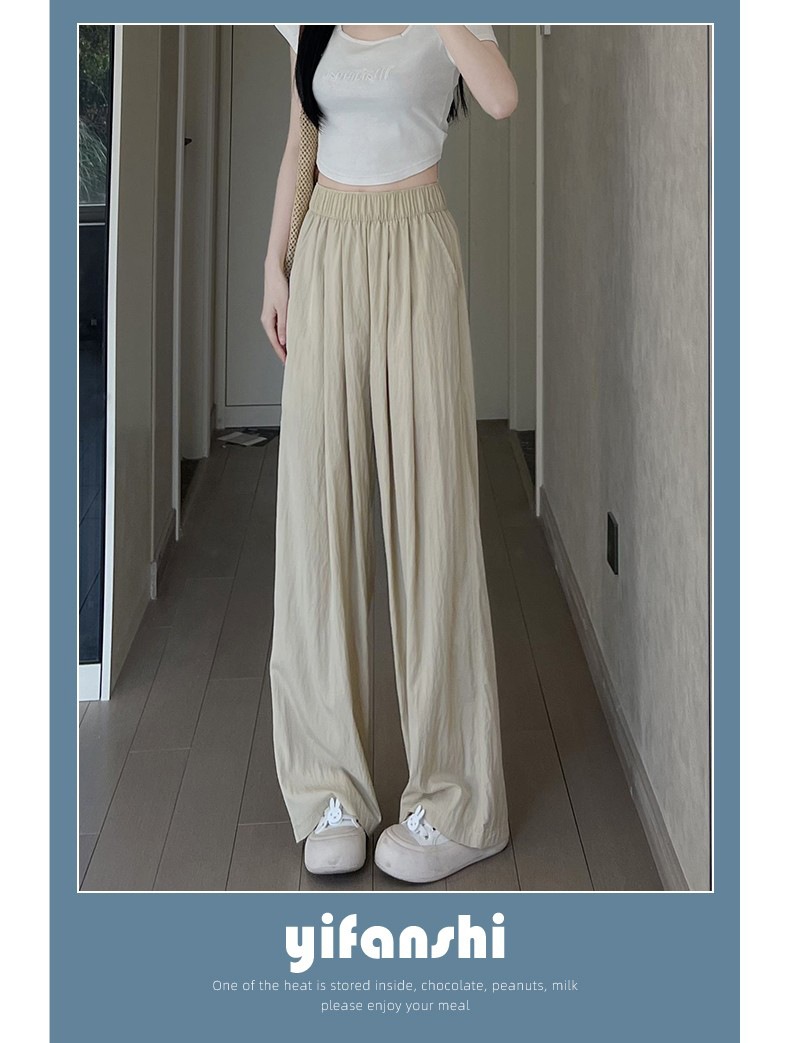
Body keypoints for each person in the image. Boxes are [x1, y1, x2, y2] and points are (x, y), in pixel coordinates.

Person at [261, 24, 519, 885]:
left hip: (416, 243)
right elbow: (302, 137)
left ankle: (458, 801)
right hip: (326, 245)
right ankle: (328, 790)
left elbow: (502, 98)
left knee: (431, 516)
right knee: (317, 518)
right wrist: (275, 266)